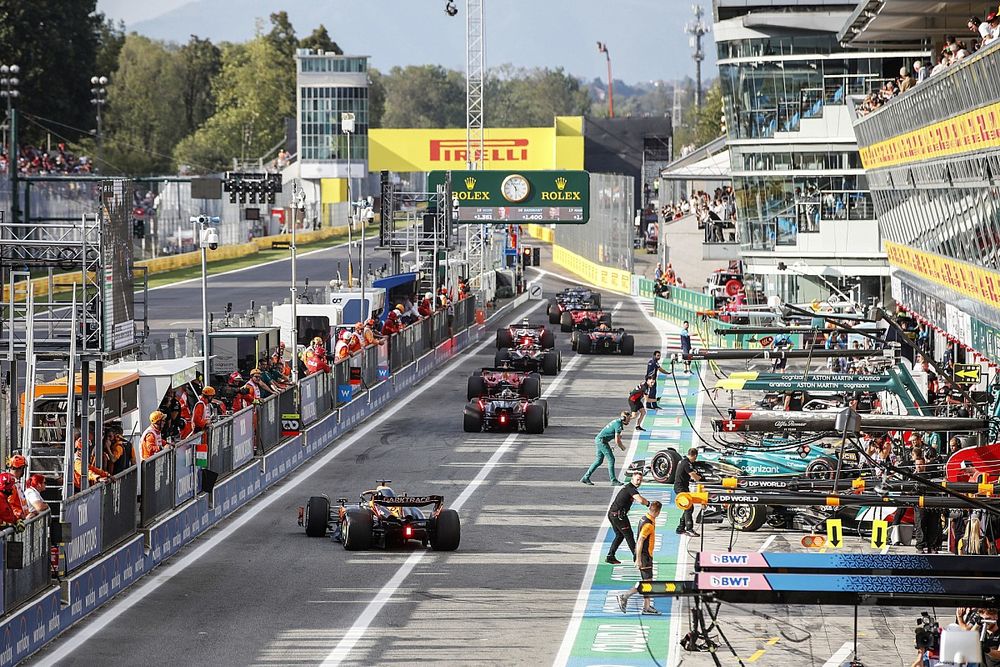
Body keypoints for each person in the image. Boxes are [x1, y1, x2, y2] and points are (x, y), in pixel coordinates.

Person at [617, 500, 663, 615]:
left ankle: (646, 607)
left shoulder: (645, 518)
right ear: (658, 512)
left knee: (648, 582)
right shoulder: (648, 525)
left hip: (646, 555)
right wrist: (638, 559)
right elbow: (640, 541)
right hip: (644, 556)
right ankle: (625, 596)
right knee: (647, 583)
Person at [605, 470, 651, 564]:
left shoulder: (629, 488)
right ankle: (637, 558)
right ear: (632, 478)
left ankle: (610, 556)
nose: (639, 482)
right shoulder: (631, 488)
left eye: (640, 480)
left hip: (612, 514)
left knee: (619, 535)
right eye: (637, 480)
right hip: (619, 516)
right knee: (629, 536)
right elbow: (640, 500)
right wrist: (649, 504)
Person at [582, 412, 631, 485]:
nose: (629, 421)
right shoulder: (618, 424)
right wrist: (622, 447)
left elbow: (614, 435)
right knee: (611, 459)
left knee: (599, 461)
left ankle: (586, 477)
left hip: (600, 440)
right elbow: (617, 441)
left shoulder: (617, 422)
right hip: (602, 441)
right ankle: (613, 480)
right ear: (623, 418)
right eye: (628, 419)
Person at [675, 448, 702, 537]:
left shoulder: (683, 461)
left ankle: (680, 528)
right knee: (688, 507)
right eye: (695, 458)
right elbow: (694, 477)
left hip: (682, 487)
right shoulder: (686, 463)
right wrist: (700, 478)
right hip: (681, 488)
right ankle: (689, 529)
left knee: (688, 507)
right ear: (694, 455)